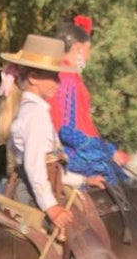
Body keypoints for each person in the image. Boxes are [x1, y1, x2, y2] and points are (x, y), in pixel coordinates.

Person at [0, 34, 106, 259]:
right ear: (34, 77)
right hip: (33, 192)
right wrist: (52, 207)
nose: (60, 81)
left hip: (44, 184)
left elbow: (50, 167)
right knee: (79, 233)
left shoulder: (37, 110)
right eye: (54, 75)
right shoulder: (34, 114)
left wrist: (84, 181)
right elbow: (35, 167)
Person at [48, 15, 129, 184]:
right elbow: (66, 129)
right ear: (78, 48)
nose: (88, 56)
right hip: (69, 154)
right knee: (121, 185)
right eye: (88, 49)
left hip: (73, 148)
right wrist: (108, 152)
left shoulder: (65, 75)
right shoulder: (67, 79)